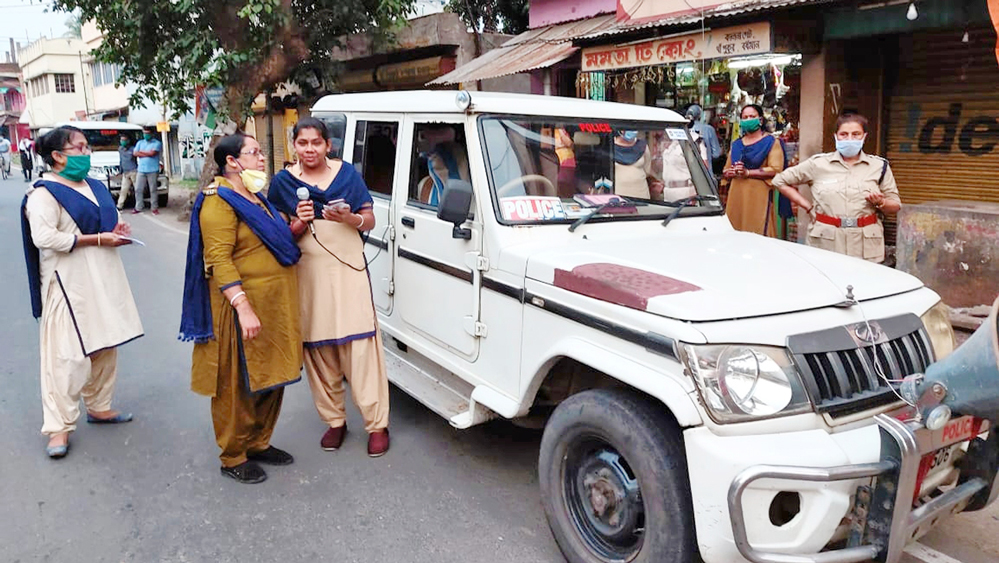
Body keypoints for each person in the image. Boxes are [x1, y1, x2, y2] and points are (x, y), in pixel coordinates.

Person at [180, 133, 302, 484]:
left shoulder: (255, 198)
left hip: (275, 305)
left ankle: (259, 442)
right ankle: (233, 453)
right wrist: (243, 306)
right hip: (241, 308)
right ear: (232, 162)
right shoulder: (220, 201)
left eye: (261, 152)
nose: (262, 158)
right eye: (254, 153)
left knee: (271, 375)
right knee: (238, 384)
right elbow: (218, 258)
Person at [268, 117, 391, 458]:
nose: (310, 149)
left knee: (360, 342)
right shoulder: (282, 184)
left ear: (327, 145)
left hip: (348, 270)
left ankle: (377, 424)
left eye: (316, 143)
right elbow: (279, 237)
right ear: (294, 145)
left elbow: (369, 220)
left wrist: (349, 219)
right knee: (319, 345)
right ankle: (334, 421)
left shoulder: (347, 175)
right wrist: (299, 222)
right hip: (308, 273)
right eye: (303, 143)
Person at [20, 126, 143, 458]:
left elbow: (105, 223)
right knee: (67, 356)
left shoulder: (95, 186)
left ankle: (100, 406)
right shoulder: (44, 193)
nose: (87, 153)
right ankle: (58, 427)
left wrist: (115, 231)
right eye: (80, 148)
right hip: (66, 283)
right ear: (57, 157)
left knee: (105, 342)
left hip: (103, 276)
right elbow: (44, 238)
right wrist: (97, 240)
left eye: (87, 147)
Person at [773, 113, 901, 263]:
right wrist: (807, 207)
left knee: (864, 284)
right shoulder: (818, 164)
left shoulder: (879, 166)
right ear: (835, 136)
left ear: (864, 136)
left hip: (865, 244)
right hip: (825, 240)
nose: (849, 139)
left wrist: (881, 202)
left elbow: (895, 205)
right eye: (844, 134)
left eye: (856, 134)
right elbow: (779, 181)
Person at [722, 104, 786, 237]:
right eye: (745, 117)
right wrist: (730, 173)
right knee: (735, 233)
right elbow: (726, 170)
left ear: (760, 120)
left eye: (752, 116)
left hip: (758, 194)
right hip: (737, 194)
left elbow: (776, 169)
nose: (748, 119)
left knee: (758, 231)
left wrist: (748, 173)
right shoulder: (736, 144)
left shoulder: (771, 142)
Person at [613, 130, 663, 200]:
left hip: (641, 195)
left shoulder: (643, 146)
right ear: (620, 130)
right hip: (617, 197)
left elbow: (647, 171)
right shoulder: (610, 146)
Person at [132, 126, 161, 215]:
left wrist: (142, 152)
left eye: (148, 133)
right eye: (144, 133)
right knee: (138, 189)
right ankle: (138, 207)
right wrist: (146, 153)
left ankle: (154, 208)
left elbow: (152, 153)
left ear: (151, 134)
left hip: (153, 169)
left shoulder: (157, 143)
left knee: (153, 189)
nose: (146, 135)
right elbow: (135, 153)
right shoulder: (140, 143)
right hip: (141, 169)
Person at [116, 134, 138, 210]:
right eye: (121, 140)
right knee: (123, 189)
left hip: (133, 171)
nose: (123, 142)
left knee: (137, 189)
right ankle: (119, 205)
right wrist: (120, 170)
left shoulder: (133, 149)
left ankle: (138, 205)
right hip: (125, 172)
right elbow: (121, 161)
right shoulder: (120, 149)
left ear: (128, 141)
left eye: (124, 140)